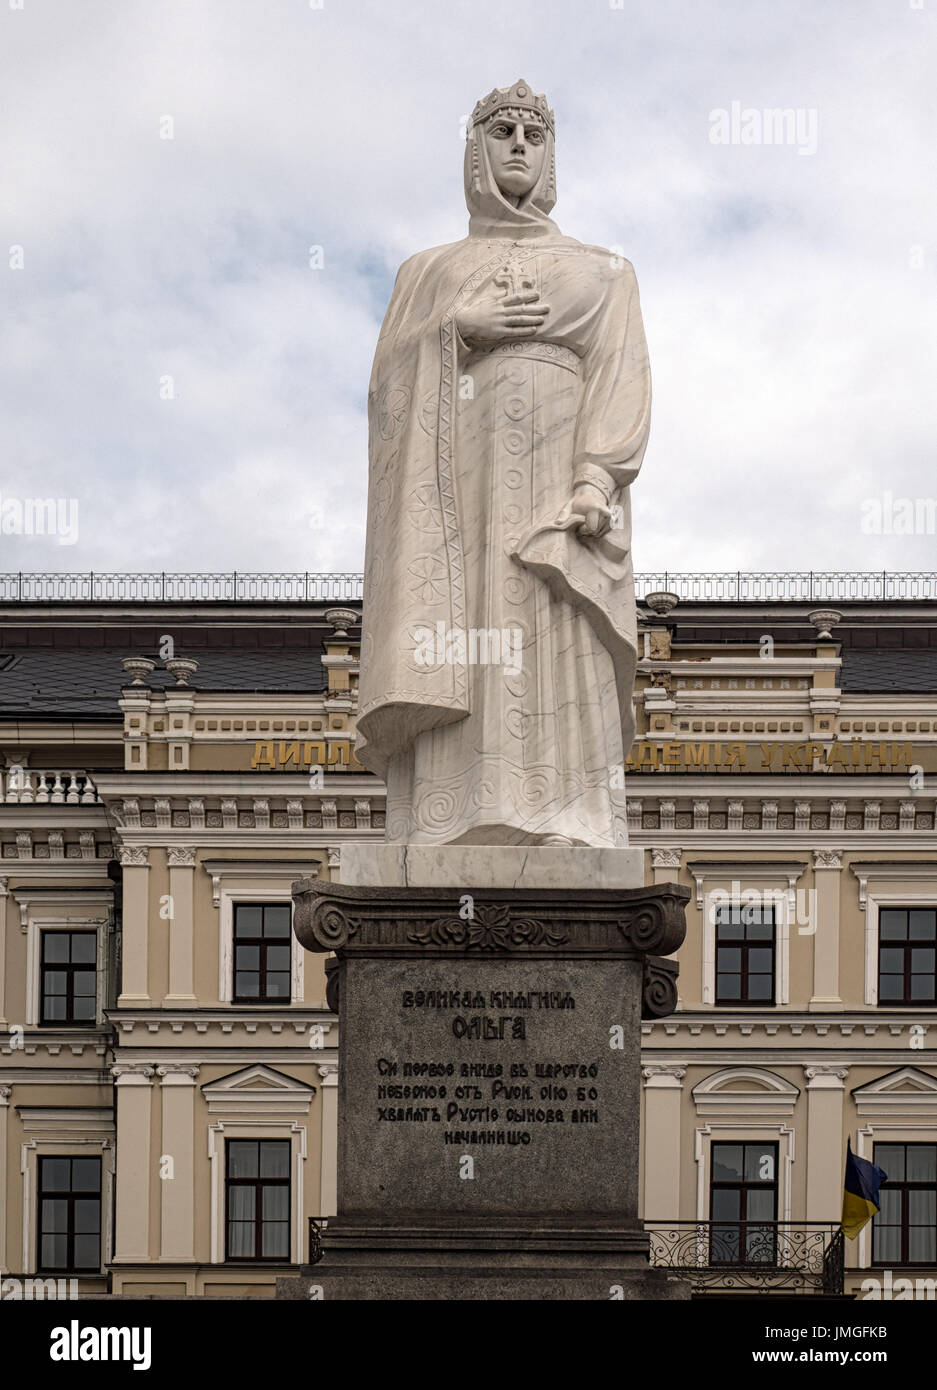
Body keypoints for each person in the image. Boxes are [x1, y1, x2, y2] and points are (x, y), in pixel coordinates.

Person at [355, 80, 650, 847]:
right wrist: (454, 328)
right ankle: (448, 816)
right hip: (460, 490)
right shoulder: (428, 272)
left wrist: (594, 478)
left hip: (556, 486)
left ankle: (568, 820)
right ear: (474, 152)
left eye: (533, 134)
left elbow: (621, 377)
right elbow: (388, 390)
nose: (518, 144)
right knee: (473, 616)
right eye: (501, 131)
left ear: (550, 157)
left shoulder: (603, 271)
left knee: (554, 614)